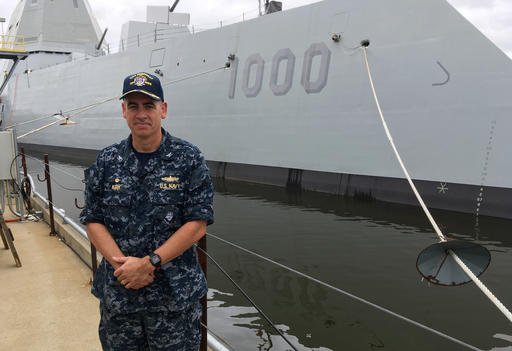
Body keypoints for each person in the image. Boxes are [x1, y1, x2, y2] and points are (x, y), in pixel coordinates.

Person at [80, 72, 214, 350]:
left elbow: (197, 223)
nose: (141, 114)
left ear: (163, 110)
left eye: (149, 105)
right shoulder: (107, 161)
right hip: (120, 297)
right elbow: (93, 219)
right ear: (124, 111)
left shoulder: (189, 158)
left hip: (173, 302)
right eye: (133, 106)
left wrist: (148, 263)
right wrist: (124, 268)